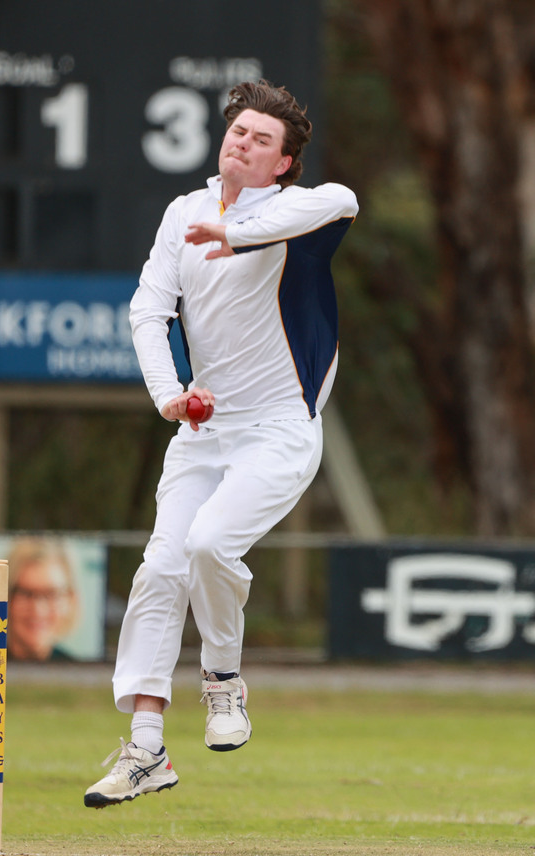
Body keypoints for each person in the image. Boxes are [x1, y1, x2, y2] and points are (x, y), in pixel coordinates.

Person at [84, 80, 358, 807]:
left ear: (283, 163)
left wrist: (237, 234)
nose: (244, 143)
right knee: (160, 569)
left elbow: (344, 199)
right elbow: (149, 309)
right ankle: (146, 750)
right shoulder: (184, 212)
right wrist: (168, 394)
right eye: (239, 131)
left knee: (209, 545)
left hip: (279, 428)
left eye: (263, 140)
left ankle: (223, 679)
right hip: (204, 431)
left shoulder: (297, 214)